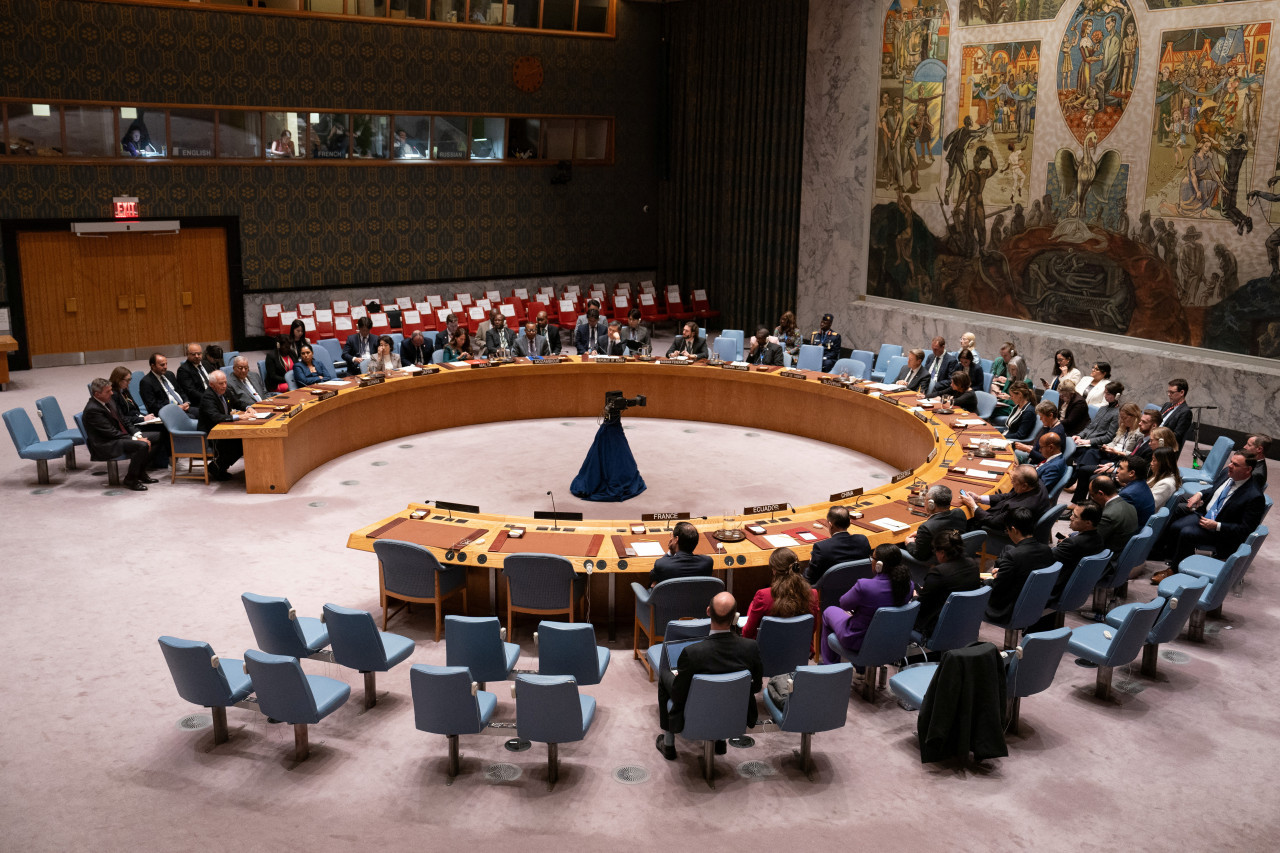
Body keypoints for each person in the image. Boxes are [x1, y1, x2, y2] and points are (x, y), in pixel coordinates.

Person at [655, 591, 762, 761]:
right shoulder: (750, 647)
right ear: (735, 617)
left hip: (696, 711)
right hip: (736, 713)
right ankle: (719, 741)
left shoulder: (692, 653)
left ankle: (668, 744)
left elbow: (678, 694)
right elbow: (755, 687)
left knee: (664, 675)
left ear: (708, 612)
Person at [1153, 452, 1265, 580]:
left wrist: (1217, 526)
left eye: (1235, 464)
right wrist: (1200, 494)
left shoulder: (1254, 496)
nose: (1229, 466)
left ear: (1248, 469)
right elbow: (1214, 490)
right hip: (1205, 515)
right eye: (1231, 461)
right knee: (1176, 523)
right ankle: (1164, 553)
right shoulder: (1227, 474)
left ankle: (1175, 570)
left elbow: (1245, 529)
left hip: (1222, 532)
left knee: (1186, 533)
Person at [821, 543, 913, 664]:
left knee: (828, 611)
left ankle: (830, 667)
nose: (871, 561)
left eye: (872, 558)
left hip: (858, 639)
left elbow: (844, 604)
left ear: (879, 565)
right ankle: (860, 670)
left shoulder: (865, 586)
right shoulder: (908, 585)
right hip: (890, 639)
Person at [984, 508, 1056, 625]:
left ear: (1013, 530)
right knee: (1008, 548)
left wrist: (990, 579)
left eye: (1007, 530)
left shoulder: (1013, 556)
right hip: (1036, 601)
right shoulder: (1047, 550)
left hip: (1008, 609)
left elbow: (997, 589)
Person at [82, 378, 155, 491]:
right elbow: (111, 433)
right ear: (97, 394)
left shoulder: (109, 400)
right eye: (108, 391)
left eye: (111, 390)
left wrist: (137, 433)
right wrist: (135, 440)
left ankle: (141, 472)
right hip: (106, 443)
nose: (112, 393)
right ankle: (131, 479)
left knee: (157, 437)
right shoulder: (93, 410)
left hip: (118, 437)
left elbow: (124, 420)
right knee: (142, 445)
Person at [913, 529, 980, 639]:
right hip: (965, 621)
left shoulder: (938, 572)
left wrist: (915, 597)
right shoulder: (973, 564)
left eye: (935, 551)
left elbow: (921, 607)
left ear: (942, 553)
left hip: (936, 626)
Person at [741, 547, 819, 640]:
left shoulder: (763, 596)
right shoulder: (813, 594)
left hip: (765, 651)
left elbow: (747, 633)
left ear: (774, 570)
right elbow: (811, 629)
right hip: (799, 651)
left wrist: (752, 606)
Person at [962, 464, 1049, 536]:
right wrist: (980, 498)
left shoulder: (1019, 508)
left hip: (996, 530)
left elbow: (993, 522)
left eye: (1014, 481)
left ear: (1024, 486)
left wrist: (973, 506)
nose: (1012, 483)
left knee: (962, 517)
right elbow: (1008, 495)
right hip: (1002, 515)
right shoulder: (1036, 483)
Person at [109, 365, 166, 469]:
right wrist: (142, 419)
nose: (129, 382)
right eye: (127, 380)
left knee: (163, 425)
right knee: (161, 432)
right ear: (118, 380)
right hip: (128, 426)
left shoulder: (124, 390)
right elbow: (121, 418)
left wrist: (146, 416)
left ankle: (157, 461)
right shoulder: (114, 395)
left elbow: (134, 409)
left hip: (136, 420)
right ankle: (146, 463)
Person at [197, 370, 246, 481]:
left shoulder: (225, 391)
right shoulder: (208, 397)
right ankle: (216, 467)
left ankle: (219, 468)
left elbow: (237, 402)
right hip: (211, 432)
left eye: (225, 383)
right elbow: (215, 417)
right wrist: (238, 417)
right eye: (220, 384)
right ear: (211, 385)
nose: (224, 386)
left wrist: (248, 407)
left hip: (224, 427)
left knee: (242, 440)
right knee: (236, 443)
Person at [803, 505, 871, 584]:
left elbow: (809, 578)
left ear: (830, 525)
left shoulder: (821, 548)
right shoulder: (862, 540)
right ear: (850, 522)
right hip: (858, 587)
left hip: (829, 593)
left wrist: (810, 564)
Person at [903, 485, 967, 566]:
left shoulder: (926, 527)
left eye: (925, 499)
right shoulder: (959, 513)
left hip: (934, 563)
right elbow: (944, 529)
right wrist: (923, 535)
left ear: (931, 504)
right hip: (957, 557)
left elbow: (920, 555)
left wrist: (910, 543)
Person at [1089, 475, 1139, 558]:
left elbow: (1092, 543)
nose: (1092, 499)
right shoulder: (1130, 506)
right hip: (1122, 553)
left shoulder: (1108, 515)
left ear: (1100, 493)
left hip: (1106, 559)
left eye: (1092, 495)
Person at [650, 521, 714, 587]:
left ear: (676, 540)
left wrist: (670, 553)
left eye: (673, 536)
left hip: (670, 597)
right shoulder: (707, 562)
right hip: (696, 596)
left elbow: (652, 576)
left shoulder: (662, 564)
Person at [139, 353, 197, 417]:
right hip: (168, 413)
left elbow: (180, 391)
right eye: (162, 365)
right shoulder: (146, 382)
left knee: (203, 412)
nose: (166, 367)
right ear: (153, 366)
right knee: (192, 417)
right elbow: (152, 406)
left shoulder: (170, 375)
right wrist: (175, 408)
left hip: (183, 407)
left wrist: (186, 402)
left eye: (166, 364)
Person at [1072, 381, 1122, 449]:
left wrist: (1089, 441)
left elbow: (1109, 437)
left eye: (1108, 394)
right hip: (1084, 441)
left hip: (1095, 446)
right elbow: (1089, 427)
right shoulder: (1102, 409)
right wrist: (1079, 436)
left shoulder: (1117, 414)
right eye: (1105, 393)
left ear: (1117, 396)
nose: (1105, 396)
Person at [1116, 456, 1155, 527]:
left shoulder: (1127, 494)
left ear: (1131, 473)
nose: (1117, 470)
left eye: (1121, 468)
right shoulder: (1142, 483)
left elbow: (1115, 520)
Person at [1159, 378, 1192, 449]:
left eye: (1172, 392)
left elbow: (1176, 436)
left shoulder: (1185, 412)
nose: (1168, 394)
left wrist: (1158, 438)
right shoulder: (1167, 405)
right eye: (1168, 392)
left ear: (1182, 393)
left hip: (1165, 445)